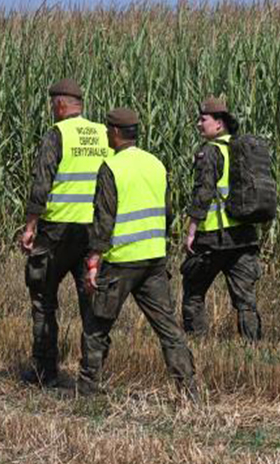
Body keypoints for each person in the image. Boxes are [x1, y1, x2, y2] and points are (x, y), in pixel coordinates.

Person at [79, 108, 199, 400]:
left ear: (117, 133)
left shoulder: (112, 167)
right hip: (154, 259)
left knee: (97, 327)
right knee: (169, 329)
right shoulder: (156, 164)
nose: (107, 134)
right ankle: (190, 390)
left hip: (121, 261)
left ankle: (87, 391)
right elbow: (168, 211)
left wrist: (94, 260)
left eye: (109, 130)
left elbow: (103, 219)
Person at [17, 78, 112, 386]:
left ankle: (45, 371)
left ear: (60, 104)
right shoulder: (103, 133)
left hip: (56, 232)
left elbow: (41, 183)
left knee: (43, 299)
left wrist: (30, 225)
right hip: (92, 233)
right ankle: (92, 374)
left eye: (52, 103)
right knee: (91, 302)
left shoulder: (57, 134)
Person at [180, 96, 262, 341]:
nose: (198, 124)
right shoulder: (243, 150)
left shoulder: (210, 152)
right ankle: (254, 348)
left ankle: (199, 345)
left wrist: (192, 229)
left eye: (203, 119)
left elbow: (203, 193)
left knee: (193, 293)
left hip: (214, 238)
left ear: (219, 124)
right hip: (245, 237)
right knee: (245, 301)